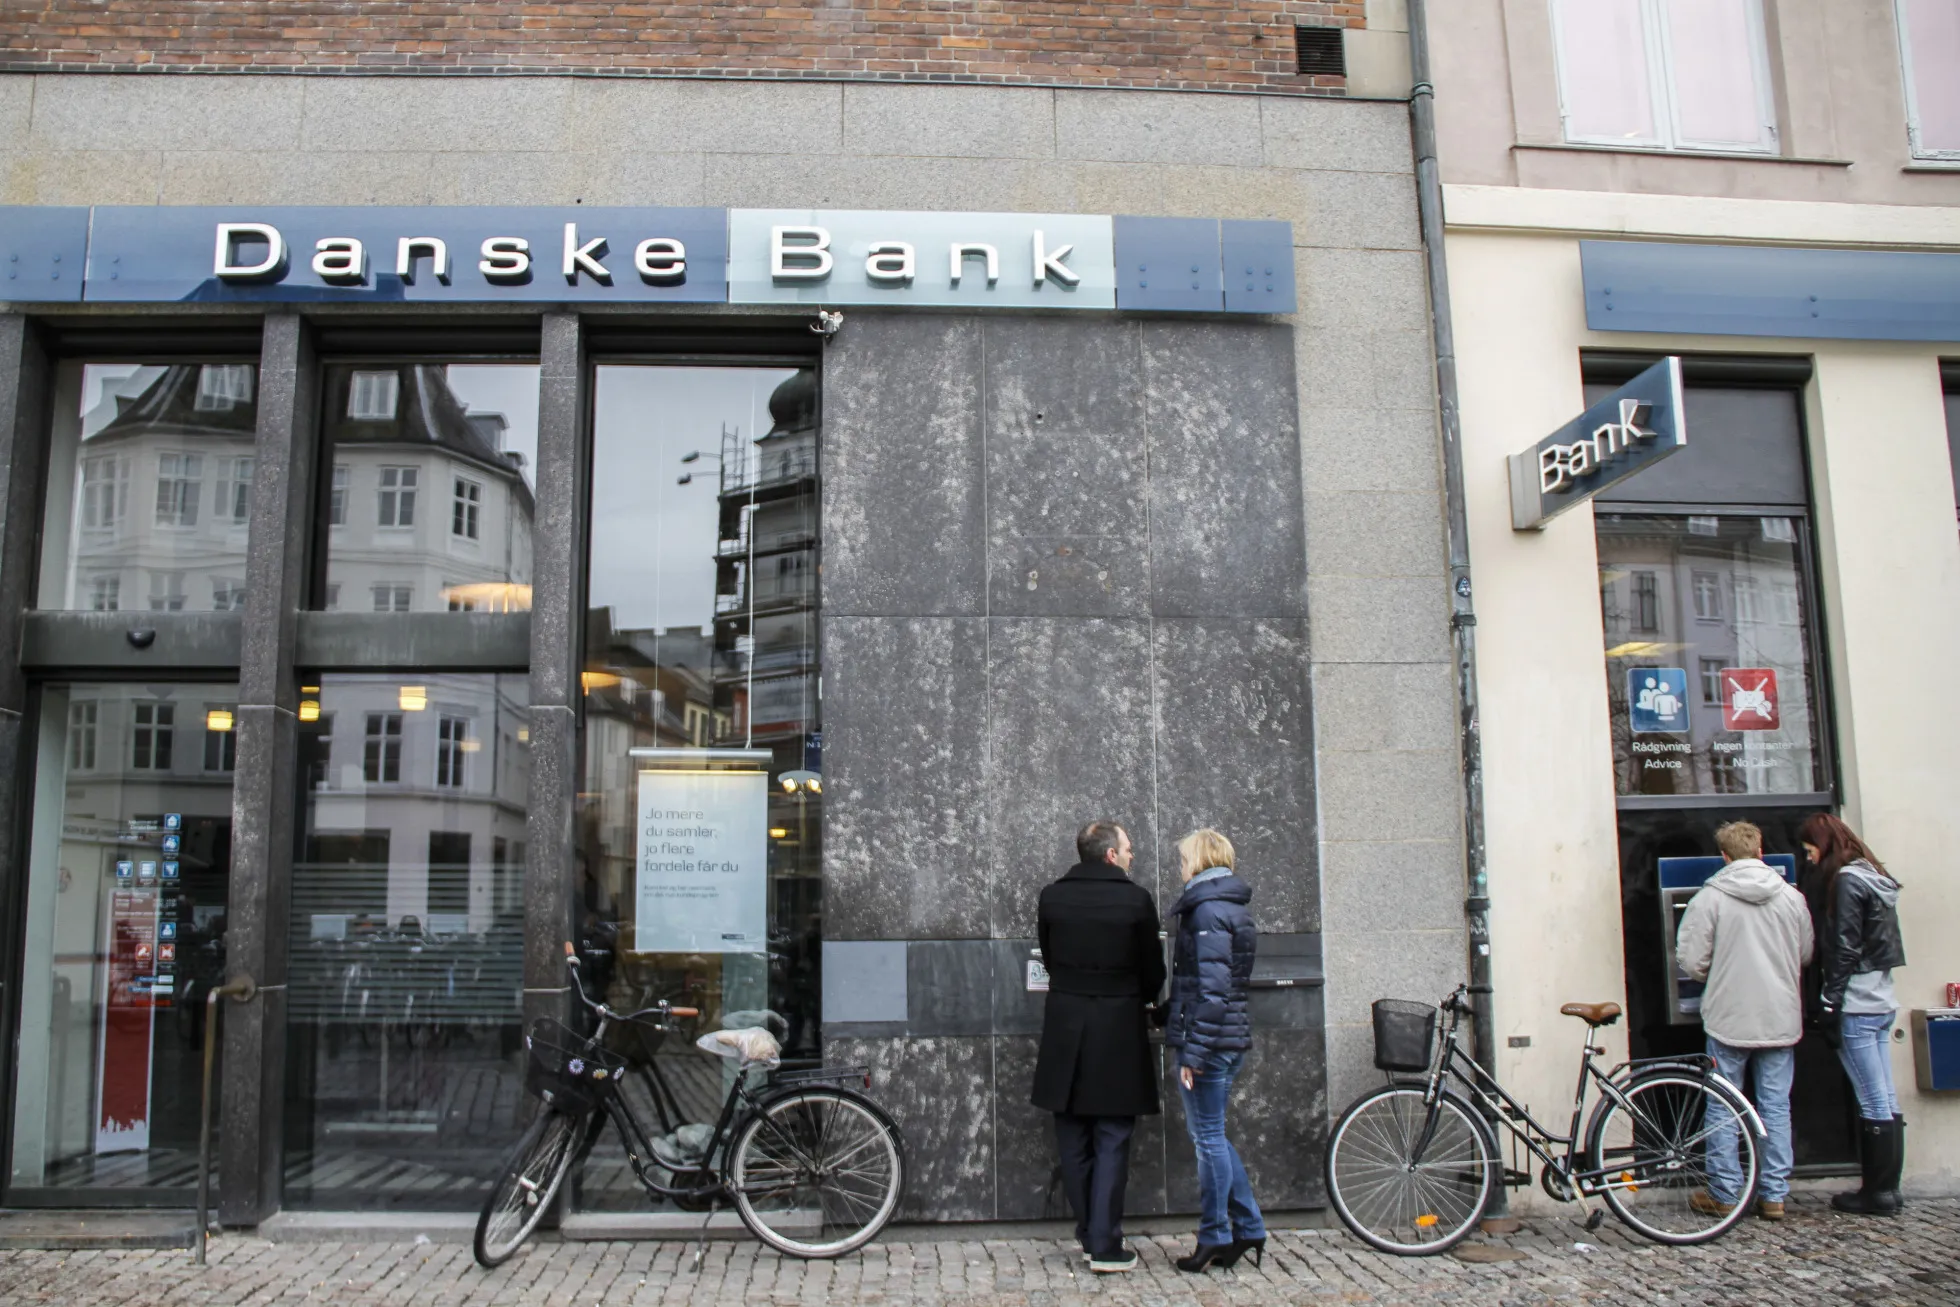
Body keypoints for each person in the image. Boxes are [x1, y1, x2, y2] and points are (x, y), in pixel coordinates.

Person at [1031, 820, 1165, 1274]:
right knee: (1111, 1134)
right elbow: (1153, 971)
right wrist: (1139, 997)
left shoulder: (1053, 896)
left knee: (1072, 1134)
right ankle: (1105, 1244)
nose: (1131, 855)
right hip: (1118, 1025)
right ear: (1110, 855)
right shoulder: (1136, 899)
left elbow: (1049, 959)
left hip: (1066, 1021)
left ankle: (1090, 1233)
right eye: (1128, 849)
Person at [1675, 820, 1813, 1221]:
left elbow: (1692, 960)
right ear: (1760, 851)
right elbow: (1804, 954)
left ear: (1724, 855)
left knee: (1723, 1105)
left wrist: (1717, 975)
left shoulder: (1710, 898)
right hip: (1779, 1016)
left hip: (1728, 1016)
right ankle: (1773, 1194)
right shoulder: (1791, 897)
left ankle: (1725, 1192)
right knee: (1775, 1105)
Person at [1161, 828, 1266, 1272]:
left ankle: (1215, 1236)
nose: (1180, 867)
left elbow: (1214, 992)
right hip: (1224, 1038)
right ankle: (1249, 1227)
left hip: (1209, 1043)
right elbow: (1209, 985)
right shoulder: (1230, 907)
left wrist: (1194, 1053)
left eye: (1184, 859)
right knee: (1213, 1137)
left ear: (1200, 861)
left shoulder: (1206, 909)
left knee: (1207, 1140)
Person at [1799, 812, 1907, 1216]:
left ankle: (1877, 1192)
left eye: (1809, 847)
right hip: (1881, 997)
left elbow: (1843, 946)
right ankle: (1888, 1190)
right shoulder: (1874, 877)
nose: (1807, 856)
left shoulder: (1846, 881)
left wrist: (1829, 1000)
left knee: (1871, 1096)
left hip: (1858, 1003)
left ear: (1823, 843)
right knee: (1885, 1093)